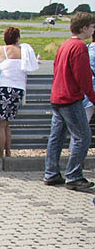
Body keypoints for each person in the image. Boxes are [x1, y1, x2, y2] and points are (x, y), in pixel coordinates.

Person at [43, 12, 95, 191]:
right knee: (83, 136)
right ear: (84, 28)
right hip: (71, 98)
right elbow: (84, 77)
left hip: (57, 96)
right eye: (92, 26)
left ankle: (51, 173)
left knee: (56, 137)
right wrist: (93, 96)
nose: (93, 29)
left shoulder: (65, 45)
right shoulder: (80, 47)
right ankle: (73, 176)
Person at [0, 27, 39, 157]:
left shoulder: (1, 49)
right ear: (17, 38)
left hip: (4, 89)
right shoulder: (24, 52)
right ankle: (8, 152)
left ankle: (0, 154)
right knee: (7, 124)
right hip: (18, 90)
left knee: (0, 126)